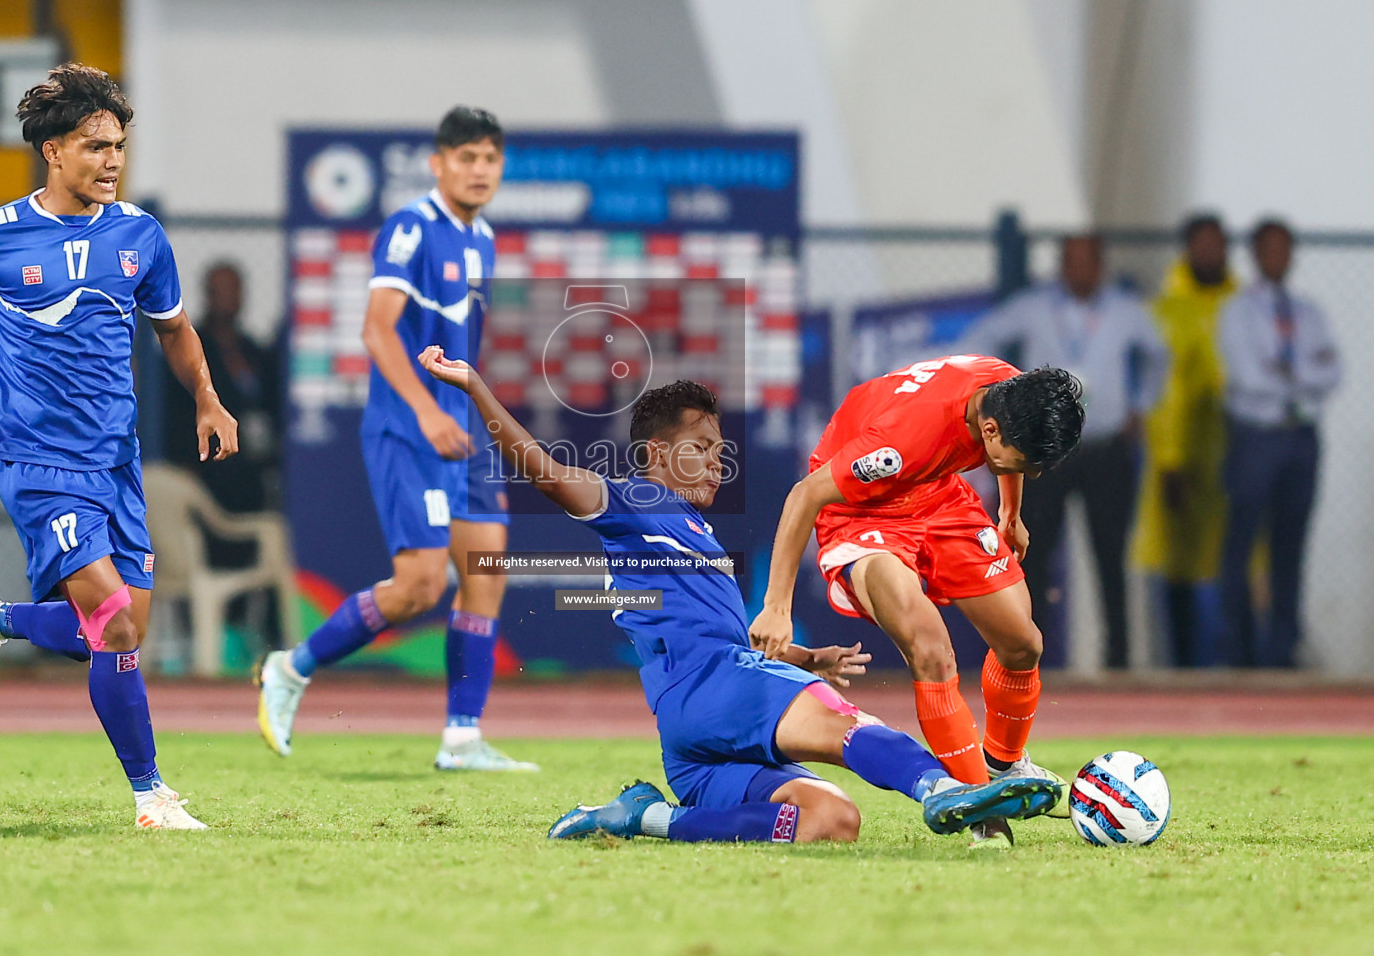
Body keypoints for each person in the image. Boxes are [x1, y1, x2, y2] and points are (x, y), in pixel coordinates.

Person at [418, 347, 1061, 846]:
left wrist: (805, 660)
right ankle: (941, 789)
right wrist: (477, 389)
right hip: (715, 691)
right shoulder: (631, 500)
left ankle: (646, 819)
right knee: (845, 727)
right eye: (700, 448)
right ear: (655, 453)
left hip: (691, 739)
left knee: (831, 821)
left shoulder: (695, 535)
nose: (717, 462)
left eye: (721, 451)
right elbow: (547, 474)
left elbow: (711, 636)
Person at [0, 63, 238, 830]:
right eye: (97, 146)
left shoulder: (141, 236)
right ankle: (150, 796)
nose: (112, 161)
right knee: (117, 627)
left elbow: (174, 329)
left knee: (111, 632)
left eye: (119, 147)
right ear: (55, 151)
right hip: (40, 465)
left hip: (117, 462)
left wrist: (208, 397)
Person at [256, 107, 534, 771]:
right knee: (418, 587)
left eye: (489, 159)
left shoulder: (484, 238)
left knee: (488, 570)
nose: (478, 170)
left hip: (460, 432)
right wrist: (427, 413)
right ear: (438, 164)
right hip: (410, 432)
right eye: (465, 158)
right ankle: (289, 669)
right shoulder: (412, 227)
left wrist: (466, 414)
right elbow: (378, 330)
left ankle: (463, 737)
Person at [748, 355, 1085, 847]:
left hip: (936, 492)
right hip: (863, 512)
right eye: (1024, 462)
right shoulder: (900, 442)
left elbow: (1008, 446)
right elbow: (805, 495)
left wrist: (1009, 512)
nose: (1029, 474)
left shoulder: (1009, 391)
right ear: (990, 432)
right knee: (930, 648)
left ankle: (1001, 765)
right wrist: (777, 605)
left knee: (1023, 644)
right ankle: (982, 813)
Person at [958, 234, 1168, 667]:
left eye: (1087, 261)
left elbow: (1160, 354)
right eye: (1070, 261)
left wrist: (1141, 406)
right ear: (1060, 266)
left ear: (1101, 265)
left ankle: (1118, 660)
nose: (1079, 270)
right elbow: (981, 337)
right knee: (1033, 556)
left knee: (1110, 556)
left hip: (1104, 448)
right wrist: (1004, 399)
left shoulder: (1126, 311)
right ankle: (1030, 657)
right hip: (1046, 454)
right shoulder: (1035, 307)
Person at [1216, 219, 1340, 667]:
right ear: (1255, 254)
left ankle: (1281, 651)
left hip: (1301, 438)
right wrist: (1303, 377)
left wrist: (1287, 374)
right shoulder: (1239, 311)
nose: (1278, 258)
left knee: (1291, 544)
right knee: (1242, 543)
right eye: (1269, 249)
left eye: (1285, 249)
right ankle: (1237, 650)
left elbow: (1334, 371)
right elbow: (1249, 377)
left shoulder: (1308, 312)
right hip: (1256, 436)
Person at [1132, 213, 1237, 666]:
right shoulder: (1166, 311)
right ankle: (1181, 665)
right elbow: (1165, 396)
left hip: (1232, 451)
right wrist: (1171, 458)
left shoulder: (1242, 303)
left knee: (1238, 557)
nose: (1211, 253)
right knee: (1176, 562)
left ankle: (1236, 662)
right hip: (1179, 456)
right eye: (1203, 244)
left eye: (1218, 244)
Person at [164, 260, 281, 513]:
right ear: (208, 295)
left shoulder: (255, 353)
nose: (228, 298)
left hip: (254, 469)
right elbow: (175, 418)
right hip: (208, 470)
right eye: (220, 290)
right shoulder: (189, 353)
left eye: (233, 290)